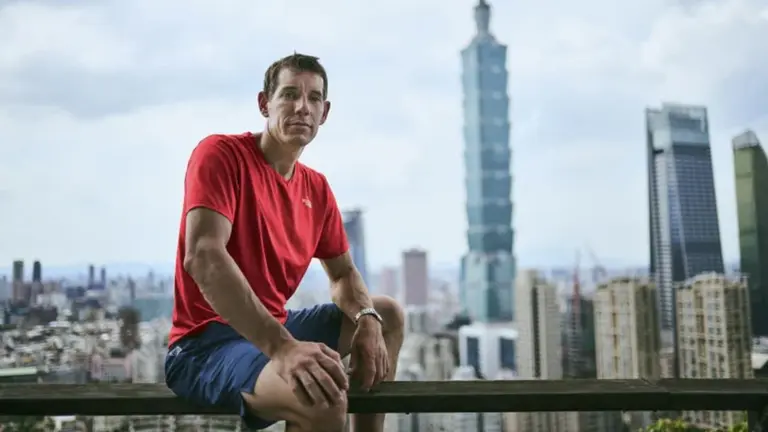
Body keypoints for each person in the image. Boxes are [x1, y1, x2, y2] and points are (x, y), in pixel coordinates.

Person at [164, 53, 405, 432]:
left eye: (313, 99)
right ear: (265, 103)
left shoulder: (317, 188)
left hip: (274, 329)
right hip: (205, 346)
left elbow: (342, 274)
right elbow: (204, 256)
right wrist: (284, 349)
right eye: (289, 94)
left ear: (324, 113)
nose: (301, 107)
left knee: (387, 313)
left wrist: (366, 317)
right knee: (320, 396)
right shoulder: (221, 155)